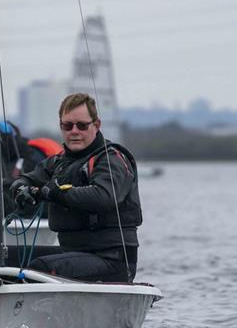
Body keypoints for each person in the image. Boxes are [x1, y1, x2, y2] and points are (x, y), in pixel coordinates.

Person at [8, 92, 142, 282]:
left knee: (40, 270)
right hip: (74, 254)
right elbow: (27, 178)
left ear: (96, 125)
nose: (74, 131)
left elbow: (103, 196)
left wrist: (55, 193)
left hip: (113, 261)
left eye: (82, 125)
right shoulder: (58, 162)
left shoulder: (112, 159)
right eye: (67, 125)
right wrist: (21, 188)